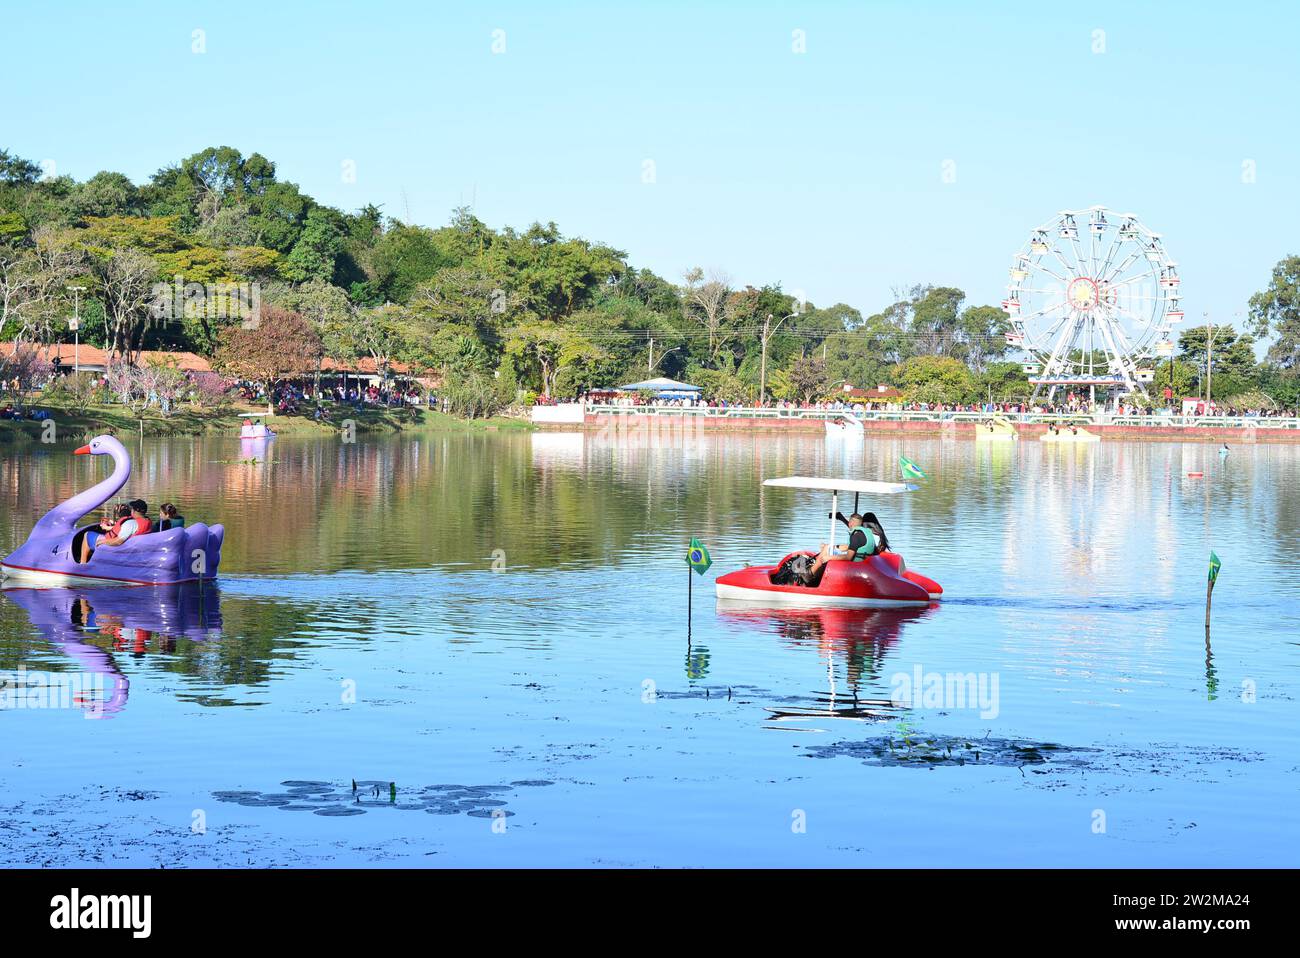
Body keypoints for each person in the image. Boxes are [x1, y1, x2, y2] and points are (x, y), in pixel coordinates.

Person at [808, 513, 877, 581]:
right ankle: (816, 574)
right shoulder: (865, 533)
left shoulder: (856, 536)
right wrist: (834, 547)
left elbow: (848, 557)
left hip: (856, 565)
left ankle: (809, 574)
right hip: (864, 563)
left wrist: (829, 557)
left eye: (849, 522)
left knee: (825, 553)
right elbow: (849, 547)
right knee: (827, 547)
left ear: (850, 523)